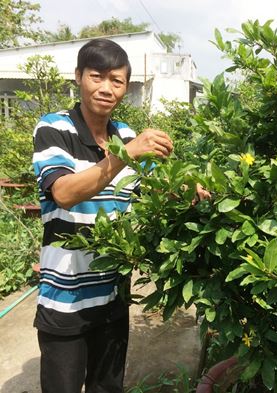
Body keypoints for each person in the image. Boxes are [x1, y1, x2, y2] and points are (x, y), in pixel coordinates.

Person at [32, 38, 209, 393]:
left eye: (117, 80)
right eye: (97, 76)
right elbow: (64, 193)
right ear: (79, 76)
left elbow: (145, 192)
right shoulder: (54, 128)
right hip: (65, 298)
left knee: (108, 388)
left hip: (113, 296)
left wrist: (184, 190)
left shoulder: (124, 134)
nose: (106, 88)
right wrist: (126, 154)